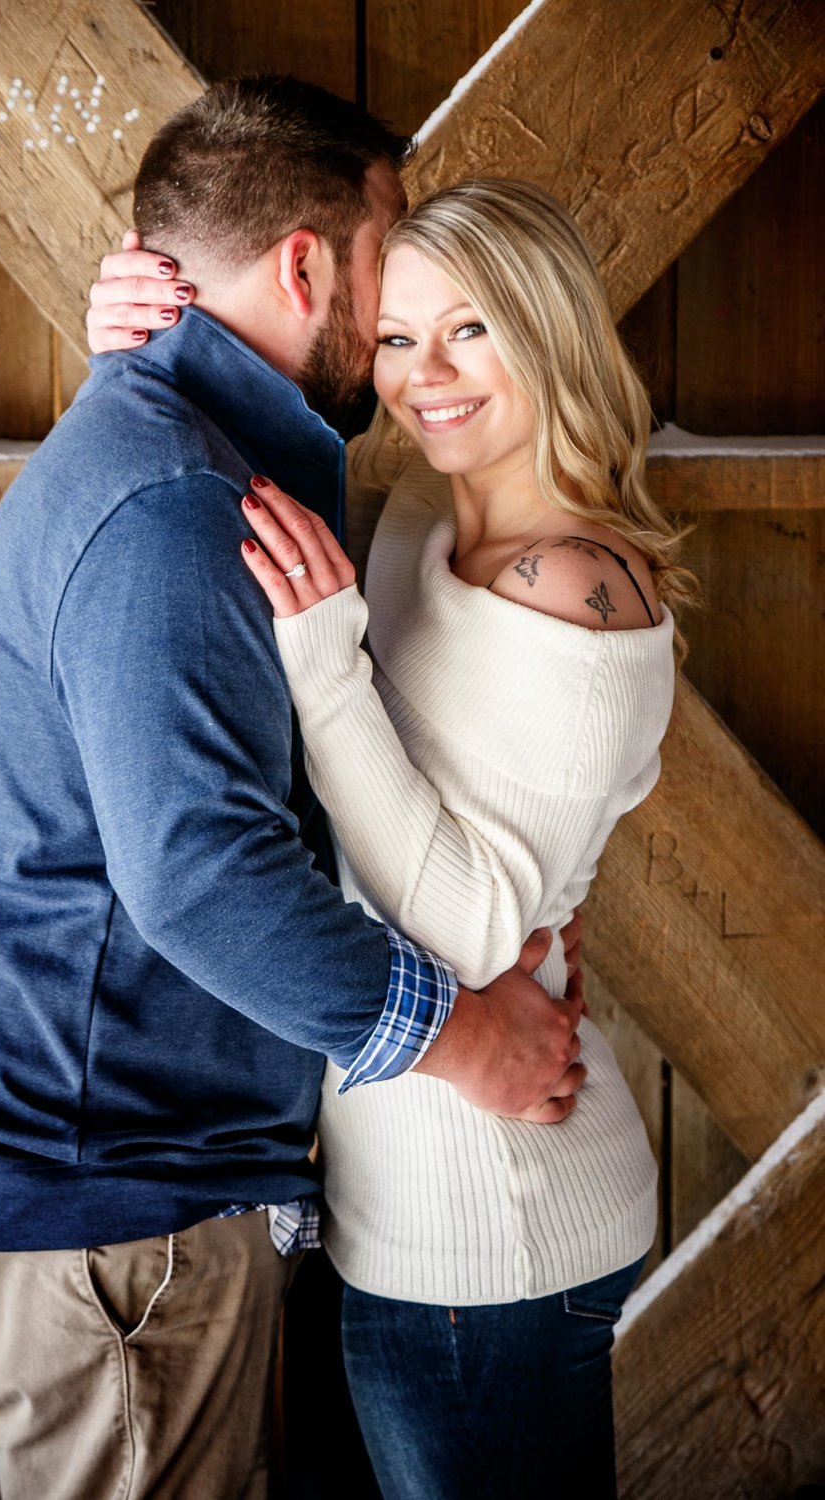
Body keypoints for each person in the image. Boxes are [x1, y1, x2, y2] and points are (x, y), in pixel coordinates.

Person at [0, 80, 588, 1500]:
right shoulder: (173, 503)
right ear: (310, 265)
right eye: (395, 251)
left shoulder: (193, 451)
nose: (417, 297)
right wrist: (469, 1044)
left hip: (101, 1191)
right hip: (99, 1214)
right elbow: (202, 876)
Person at [90, 177, 696, 1498]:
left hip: (491, 1225)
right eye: (403, 337)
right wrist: (137, 325)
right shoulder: (430, 510)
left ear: (549, 332)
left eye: (471, 331)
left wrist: (323, 668)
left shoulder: (575, 587)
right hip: (411, 1195)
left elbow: (477, 927)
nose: (426, 379)